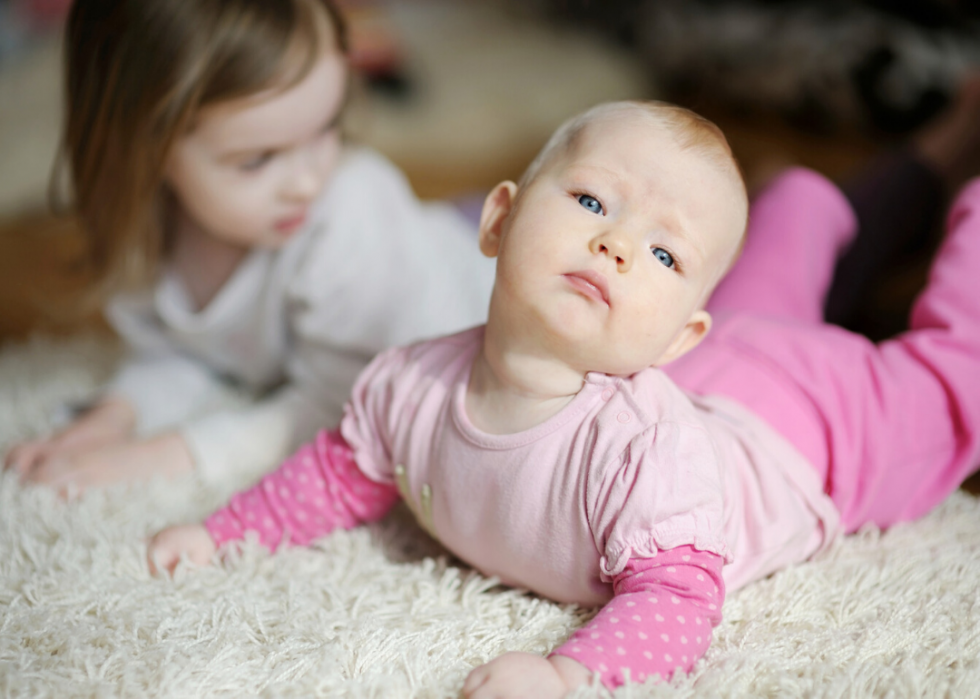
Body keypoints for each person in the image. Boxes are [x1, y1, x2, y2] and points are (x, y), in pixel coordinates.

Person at [146, 100, 980, 696]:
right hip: (722, 355)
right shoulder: (411, 384)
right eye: (590, 201)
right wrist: (225, 532)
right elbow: (337, 473)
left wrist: (568, 673)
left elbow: (680, 598)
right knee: (764, 297)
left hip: (811, 423)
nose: (617, 244)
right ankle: (802, 205)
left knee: (957, 379)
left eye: (662, 252)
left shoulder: (644, 457)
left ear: (677, 331)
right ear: (499, 219)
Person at [2, 0, 494, 491]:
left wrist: (164, 456)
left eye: (326, 127)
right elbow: (185, 355)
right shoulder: (146, 231)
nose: (306, 181)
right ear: (145, 147)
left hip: (476, 290)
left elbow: (346, 409)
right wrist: (111, 417)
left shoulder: (346, 214)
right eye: (257, 160)